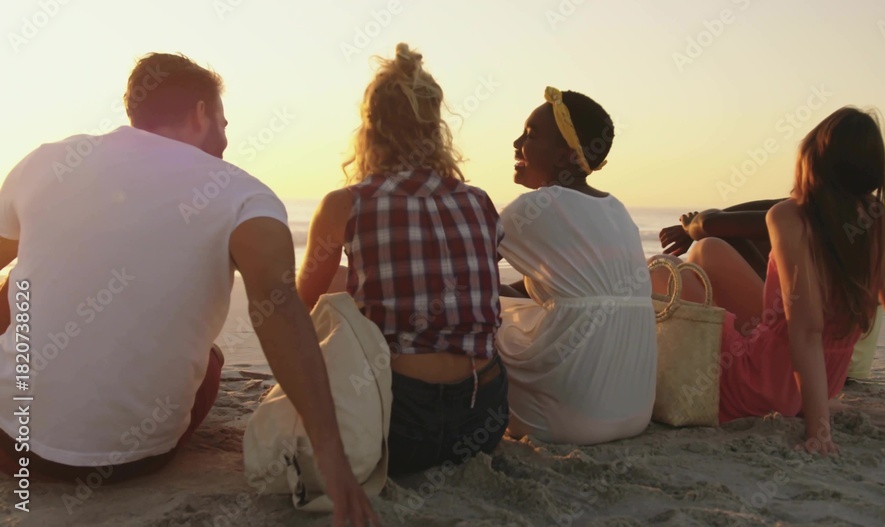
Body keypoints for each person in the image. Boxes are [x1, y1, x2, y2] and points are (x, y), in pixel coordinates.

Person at [0, 53, 378, 525]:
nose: (225, 137)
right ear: (201, 113)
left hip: (9, 444)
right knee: (213, 360)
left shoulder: (46, 160)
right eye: (223, 121)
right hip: (135, 461)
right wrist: (333, 460)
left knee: (14, 284)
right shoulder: (244, 195)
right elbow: (283, 319)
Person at [660, 107, 885, 453]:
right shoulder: (877, 221)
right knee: (708, 249)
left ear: (811, 158)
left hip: (761, 384)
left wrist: (819, 432)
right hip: (822, 385)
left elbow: (806, 329)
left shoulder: (789, 217)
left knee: (661, 269)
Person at [296, 44, 508, 476]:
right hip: (484, 418)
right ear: (436, 128)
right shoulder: (479, 201)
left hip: (401, 425)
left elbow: (299, 306)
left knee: (331, 301)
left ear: (370, 128)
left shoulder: (346, 204)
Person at [495, 87, 656, 445]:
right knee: (512, 305)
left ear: (566, 156)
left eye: (531, 136)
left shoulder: (533, 206)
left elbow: (463, 269)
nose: (517, 142)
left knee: (470, 311)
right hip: (634, 414)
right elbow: (579, 288)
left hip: (563, 423)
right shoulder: (616, 210)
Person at [659, 199, 883, 379]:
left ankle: (691, 351)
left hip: (811, 362)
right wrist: (698, 226)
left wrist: (692, 227)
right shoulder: (864, 210)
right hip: (847, 364)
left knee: (705, 249)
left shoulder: (808, 216)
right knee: (747, 237)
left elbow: (711, 225)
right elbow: (735, 218)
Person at [659, 199, 782, 279]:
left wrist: (692, 226)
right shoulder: (792, 212)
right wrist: (692, 229)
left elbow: (707, 223)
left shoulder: (791, 216)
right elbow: (775, 208)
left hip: (773, 307)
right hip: (783, 303)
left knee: (709, 246)